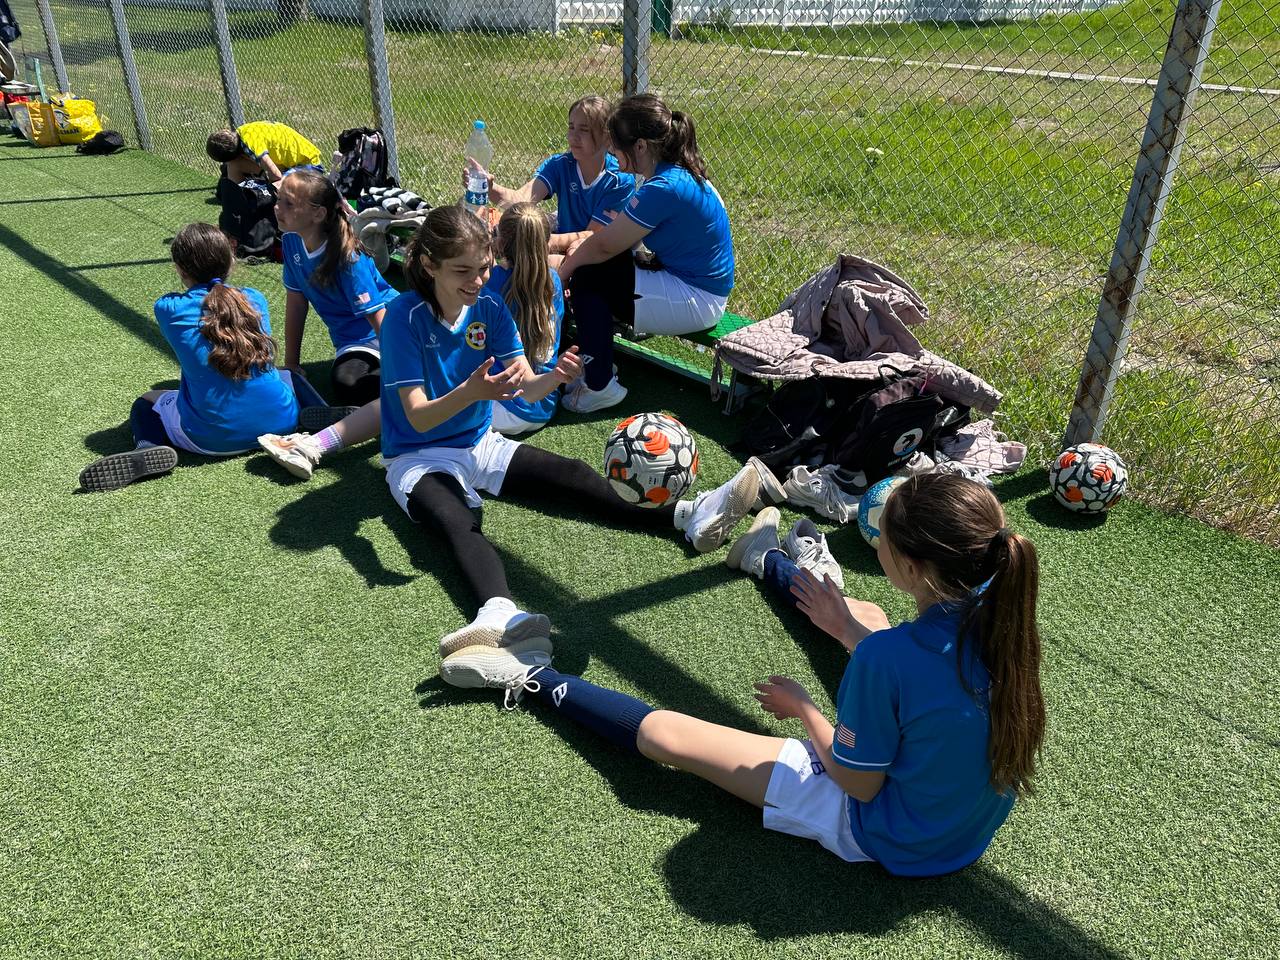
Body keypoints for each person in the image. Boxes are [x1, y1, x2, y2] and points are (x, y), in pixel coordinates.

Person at [440, 473, 1046, 877]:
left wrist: (805, 709)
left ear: (911, 567)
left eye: (882, 536)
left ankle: (527, 673)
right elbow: (922, 677)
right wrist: (848, 633)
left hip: (888, 833)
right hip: (963, 835)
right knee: (867, 621)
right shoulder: (1003, 613)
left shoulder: (887, 660)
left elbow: (858, 785)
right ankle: (767, 559)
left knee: (668, 737)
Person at [378, 205, 763, 656]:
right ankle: (498, 615)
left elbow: (526, 387)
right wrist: (471, 392)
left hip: (479, 443)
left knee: (570, 474)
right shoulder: (404, 317)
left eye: (483, 267)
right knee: (456, 519)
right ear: (429, 265)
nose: (478, 280)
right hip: (418, 456)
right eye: (462, 271)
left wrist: (555, 377)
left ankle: (688, 514)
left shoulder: (490, 308)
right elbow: (418, 417)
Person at [78, 223, 301, 492]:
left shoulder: (168, 308)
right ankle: (319, 414)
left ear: (180, 269)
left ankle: (147, 447)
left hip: (212, 440)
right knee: (288, 375)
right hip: (282, 423)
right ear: (231, 261)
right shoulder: (255, 298)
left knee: (147, 401)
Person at [556, 94, 735, 413]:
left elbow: (603, 244)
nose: (611, 150)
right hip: (692, 284)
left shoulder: (663, 187)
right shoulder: (672, 174)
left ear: (640, 146)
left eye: (615, 143)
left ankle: (599, 385)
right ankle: (597, 362)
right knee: (597, 268)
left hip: (698, 298)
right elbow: (610, 241)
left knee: (588, 277)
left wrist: (561, 276)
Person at [275, 170, 397, 407]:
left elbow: (378, 317)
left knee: (372, 383)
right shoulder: (291, 241)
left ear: (318, 214)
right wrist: (291, 364)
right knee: (347, 383)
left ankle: (421, 375)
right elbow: (297, 303)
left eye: (288, 203)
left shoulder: (349, 258)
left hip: (391, 328)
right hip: (354, 342)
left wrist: (403, 367)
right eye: (278, 199)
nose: (277, 207)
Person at [464, 96, 635, 258]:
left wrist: (538, 240)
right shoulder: (560, 164)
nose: (573, 136)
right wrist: (489, 187)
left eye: (584, 130)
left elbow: (592, 235)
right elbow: (522, 200)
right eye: (571, 127)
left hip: (597, 255)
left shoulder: (619, 180)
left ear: (607, 137)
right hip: (560, 245)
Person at [206, 121, 323, 184]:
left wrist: (267, 186)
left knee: (279, 186)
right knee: (234, 165)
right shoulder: (242, 131)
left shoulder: (251, 146)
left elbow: (276, 175)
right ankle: (239, 199)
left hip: (308, 166)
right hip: (287, 164)